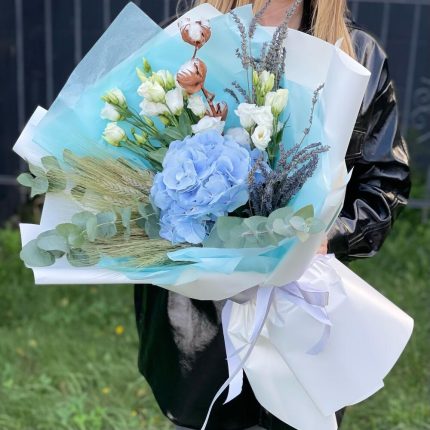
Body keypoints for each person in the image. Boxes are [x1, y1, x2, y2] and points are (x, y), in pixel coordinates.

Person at [134, 1, 411, 429]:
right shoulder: (188, 39)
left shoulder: (355, 54)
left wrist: (320, 238)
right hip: (197, 314)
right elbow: (132, 160)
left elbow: (383, 180)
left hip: (302, 297)